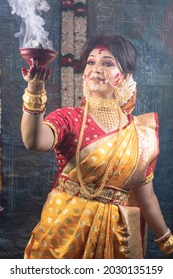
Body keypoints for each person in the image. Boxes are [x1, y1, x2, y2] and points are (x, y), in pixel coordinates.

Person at [21, 35, 173, 259]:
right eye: (91, 62)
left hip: (116, 239)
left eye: (108, 63)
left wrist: (166, 239)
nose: (96, 69)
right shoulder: (70, 118)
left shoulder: (141, 134)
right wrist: (34, 91)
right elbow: (34, 141)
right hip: (63, 233)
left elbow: (146, 197)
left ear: (125, 76)